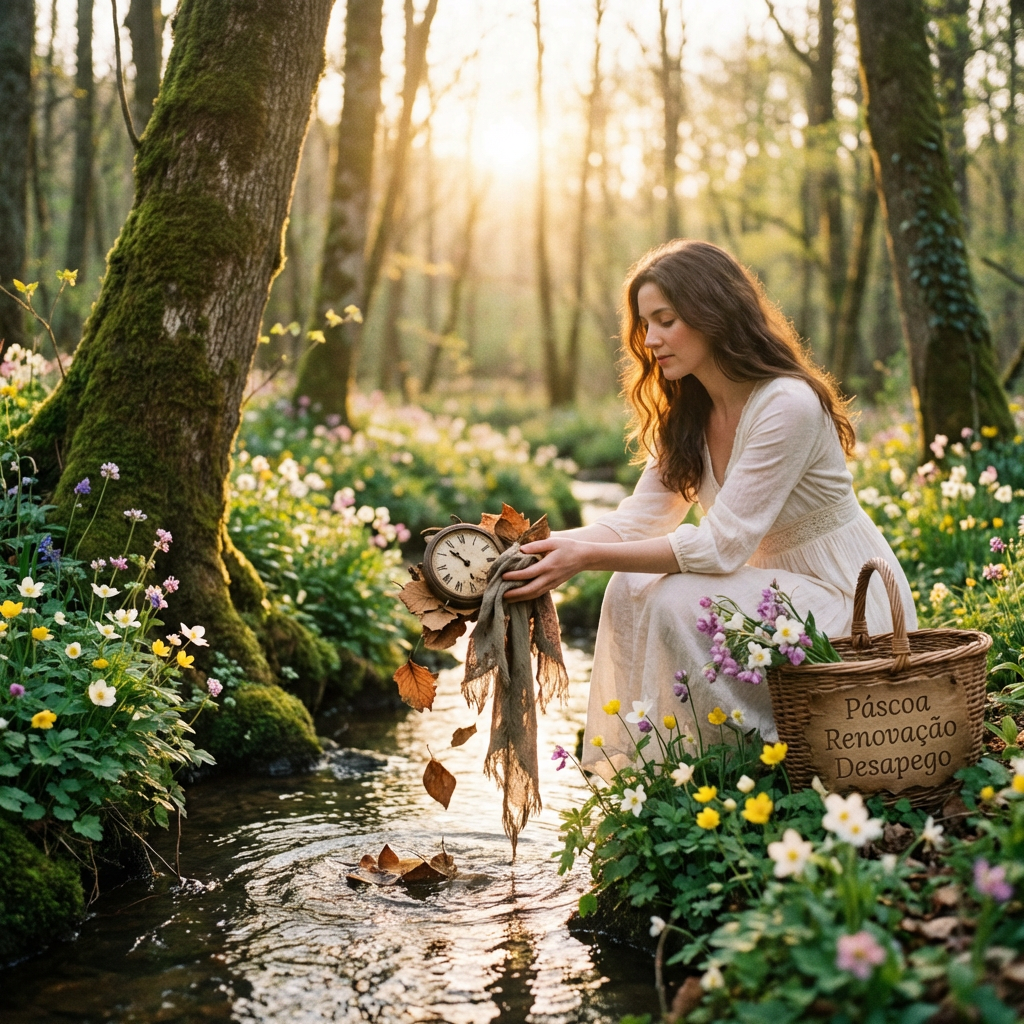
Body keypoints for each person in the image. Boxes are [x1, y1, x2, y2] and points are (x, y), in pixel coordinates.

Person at [503, 239, 917, 774]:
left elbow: (721, 547)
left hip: (847, 605)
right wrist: (550, 548)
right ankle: (654, 769)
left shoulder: (786, 403)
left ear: (713, 312)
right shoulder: (691, 414)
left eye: (665, 320)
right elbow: (636, 521)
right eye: (644, 324)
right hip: (772, 601)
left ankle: (740, 766)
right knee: (627, 584)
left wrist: (582, 558)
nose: (650, 339)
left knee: (679, 598)